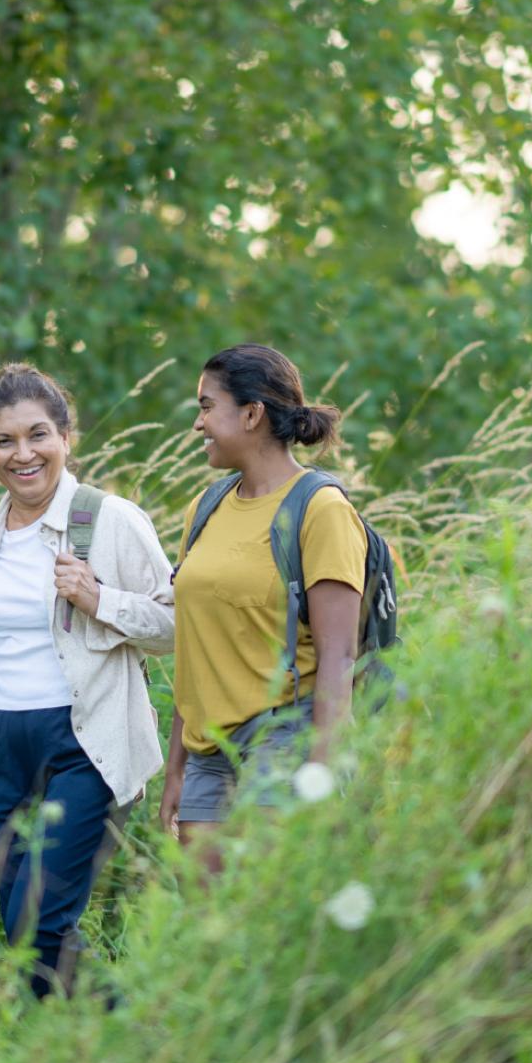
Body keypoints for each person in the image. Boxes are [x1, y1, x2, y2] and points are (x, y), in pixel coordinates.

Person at [0, 363, 175, 998]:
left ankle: (127, 1033)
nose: (23, 455)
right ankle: (82, 1058)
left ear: (65, 437)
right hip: (5, 741)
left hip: (85, 742)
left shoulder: (109, 520)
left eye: (38, 435)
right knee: (17, 924)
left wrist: (100, 597)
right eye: (4, 442)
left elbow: (176, 626)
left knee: (40, 918)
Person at [160, 343, 366, 868]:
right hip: (209, 749)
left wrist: (319, 774)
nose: (198, 424)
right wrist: (176, 767)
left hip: (283, 740)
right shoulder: (204, 508)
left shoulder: (320, 509)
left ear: (251, 414)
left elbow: (339, 658)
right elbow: (195, 643)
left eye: (207, 407)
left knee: (265, 917)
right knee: (208, 924)